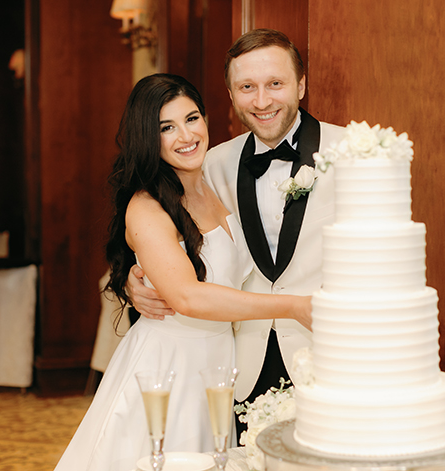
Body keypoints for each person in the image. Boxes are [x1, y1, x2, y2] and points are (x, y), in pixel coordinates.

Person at [54, 74, 311, 471]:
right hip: (168, 367)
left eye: (192, 118)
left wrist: (134, 278)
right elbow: (188, 296)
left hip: (220, 364)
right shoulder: (147, 206)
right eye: (166, 127)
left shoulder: (216, 179)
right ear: (147, 138)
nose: (185, 135)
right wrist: (293, 306)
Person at [128, 29, 346, 437]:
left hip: (331, 360)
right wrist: (135, 277)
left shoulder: (354, 153)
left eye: (275, 84)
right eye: (247, 87)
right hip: (240, 366)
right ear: (230, 95)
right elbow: (163, 238)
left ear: (302, 84)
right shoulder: (209, 163)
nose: (261, 101)